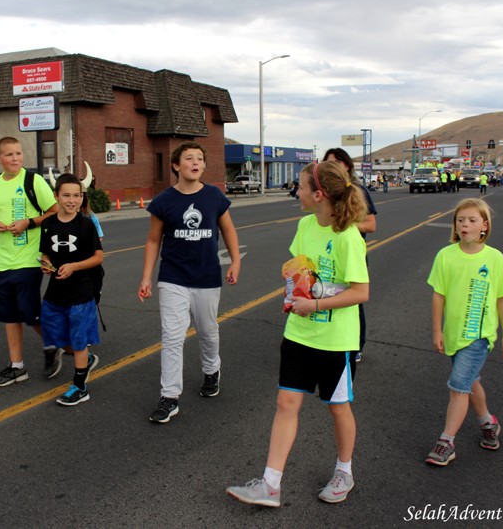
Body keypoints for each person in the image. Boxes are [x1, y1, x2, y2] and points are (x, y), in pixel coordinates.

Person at [227, 161, 368, 507]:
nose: (297, 191)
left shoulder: (348, 236)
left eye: (301, 187)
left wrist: (317, 305)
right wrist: (292, 294)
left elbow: (361, 292)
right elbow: (298, 268)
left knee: (338, 408)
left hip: (336, 341)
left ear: (318, 194)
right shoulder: (305, 224)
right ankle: (270, 485)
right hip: (299, 334)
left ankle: (344, 471)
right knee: (286, 402)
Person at [138, 141, 241, 423]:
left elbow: (228, 228)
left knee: (207, 330)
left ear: (204, 166)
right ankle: (169, 397)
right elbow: (153, 240)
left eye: (199, 159)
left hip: (207, 277)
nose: (195, 163)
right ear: (176, 165)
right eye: (188, 158)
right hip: (173, 277)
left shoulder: (214, 196)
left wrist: (236, 260)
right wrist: (147, 276)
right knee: (172, 336)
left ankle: (211, 371)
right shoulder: (163, 201)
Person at [424, 198, 503, 466]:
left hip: (479, 335)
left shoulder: (495, 258)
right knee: (471, 382)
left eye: (472, 220)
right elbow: (438, 296)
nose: (465, 224)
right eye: (460, 220)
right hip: (454, 334)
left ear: (484, 226)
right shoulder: (445, 255)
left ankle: (446, 442)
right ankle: (488, 423)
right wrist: (437, 331)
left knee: (458, 387)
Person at [0, 136, 58, 387]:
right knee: (10, 316)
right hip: (2, 262)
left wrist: (29, 222)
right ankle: (17, 366)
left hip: (30, 259)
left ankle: (55, 344)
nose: (15, 159)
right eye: (9, 154)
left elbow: (55, 213)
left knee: (30, 314)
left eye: (18, 154)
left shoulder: (33, 181)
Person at [40, 174, 103, 406]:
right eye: (66, 195)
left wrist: (74, 266)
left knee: (78, 340)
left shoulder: (87, 224)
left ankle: (79, 386)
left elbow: (98, 257)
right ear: (56, 196)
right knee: (50, 330)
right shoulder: (48, 224)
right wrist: (45, 264)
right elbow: (45, 252)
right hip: (55, 291)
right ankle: (84, 359)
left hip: (81, 293)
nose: (72, 200)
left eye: (77, 195)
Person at [322, 148, 377, 363]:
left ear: (346, 165)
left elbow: (371, 225)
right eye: (327, 163)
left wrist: (345, 224)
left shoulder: (358, 191)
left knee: (353, 299)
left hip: (351, 253)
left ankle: (356, 346)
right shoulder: (327, 193)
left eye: (335, 162)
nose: (332, 166)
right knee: (326, 295)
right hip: (328, 252)